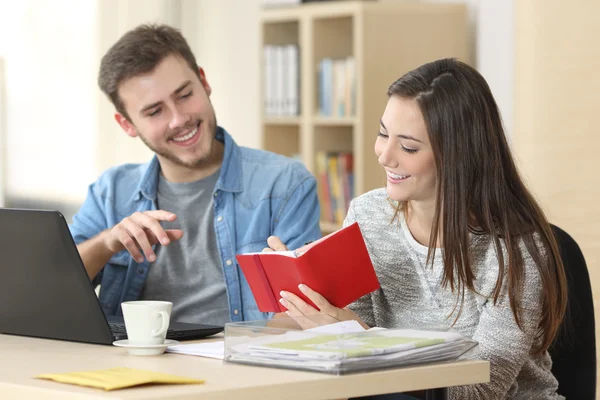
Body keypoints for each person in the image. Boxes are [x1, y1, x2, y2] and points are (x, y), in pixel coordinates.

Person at [267, 58, 568, 399]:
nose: (384, 155)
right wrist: (306, 294)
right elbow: (350, 337)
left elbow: (480, 388)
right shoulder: (368, 215)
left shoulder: (515, 249)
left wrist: (361, 341)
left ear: (458, 156)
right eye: (383, 134)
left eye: (408, 147)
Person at [69, 24, 321, 326]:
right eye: (154, 112)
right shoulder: (110, 191)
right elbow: (52, 291)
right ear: (127, 125)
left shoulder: (285, 184)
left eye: (185, 95)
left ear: (203, 82)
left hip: (240, 364)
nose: (179, 119)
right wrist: (108, 242)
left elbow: (304, 316)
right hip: (128, 366)